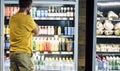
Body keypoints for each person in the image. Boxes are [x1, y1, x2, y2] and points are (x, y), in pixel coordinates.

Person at [9, 0, 39, 71]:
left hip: (12, 53)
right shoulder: (27, 18)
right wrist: (31, 18)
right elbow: (37, 32)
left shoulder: (12, 18)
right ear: (28, 7)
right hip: (23, 54)